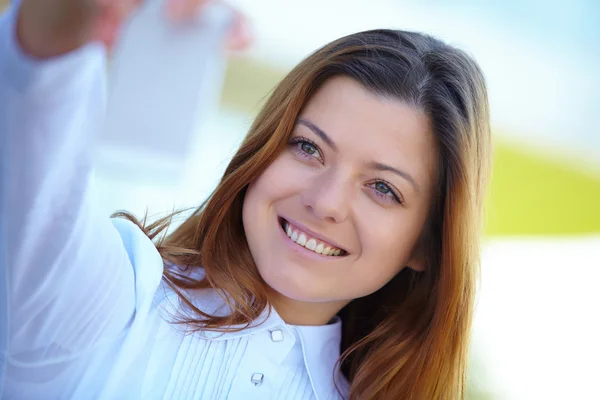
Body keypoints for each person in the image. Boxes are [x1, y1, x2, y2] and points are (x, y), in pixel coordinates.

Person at [0, 0, 491, 398]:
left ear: (426, 244)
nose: (326, 203)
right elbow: (33, 141)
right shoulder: (116, 298)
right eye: (307, 147)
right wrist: (67, 16)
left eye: (383, 188)